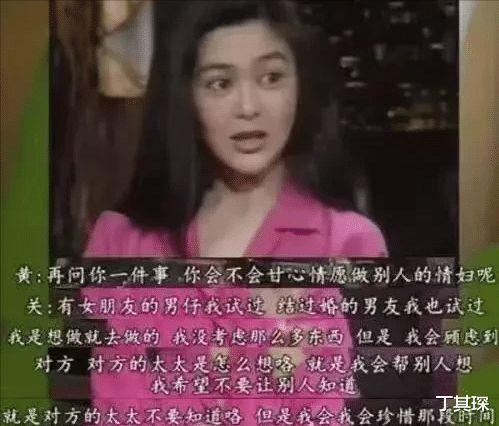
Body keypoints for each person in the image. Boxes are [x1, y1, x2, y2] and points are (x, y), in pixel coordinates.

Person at [83, 1, 387, 423]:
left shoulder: (350, 243)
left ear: (302, 88)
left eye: (271, 78)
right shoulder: (122, 241)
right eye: (220, 83)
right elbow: (117, 404)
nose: (248, 107)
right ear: (184, 97)